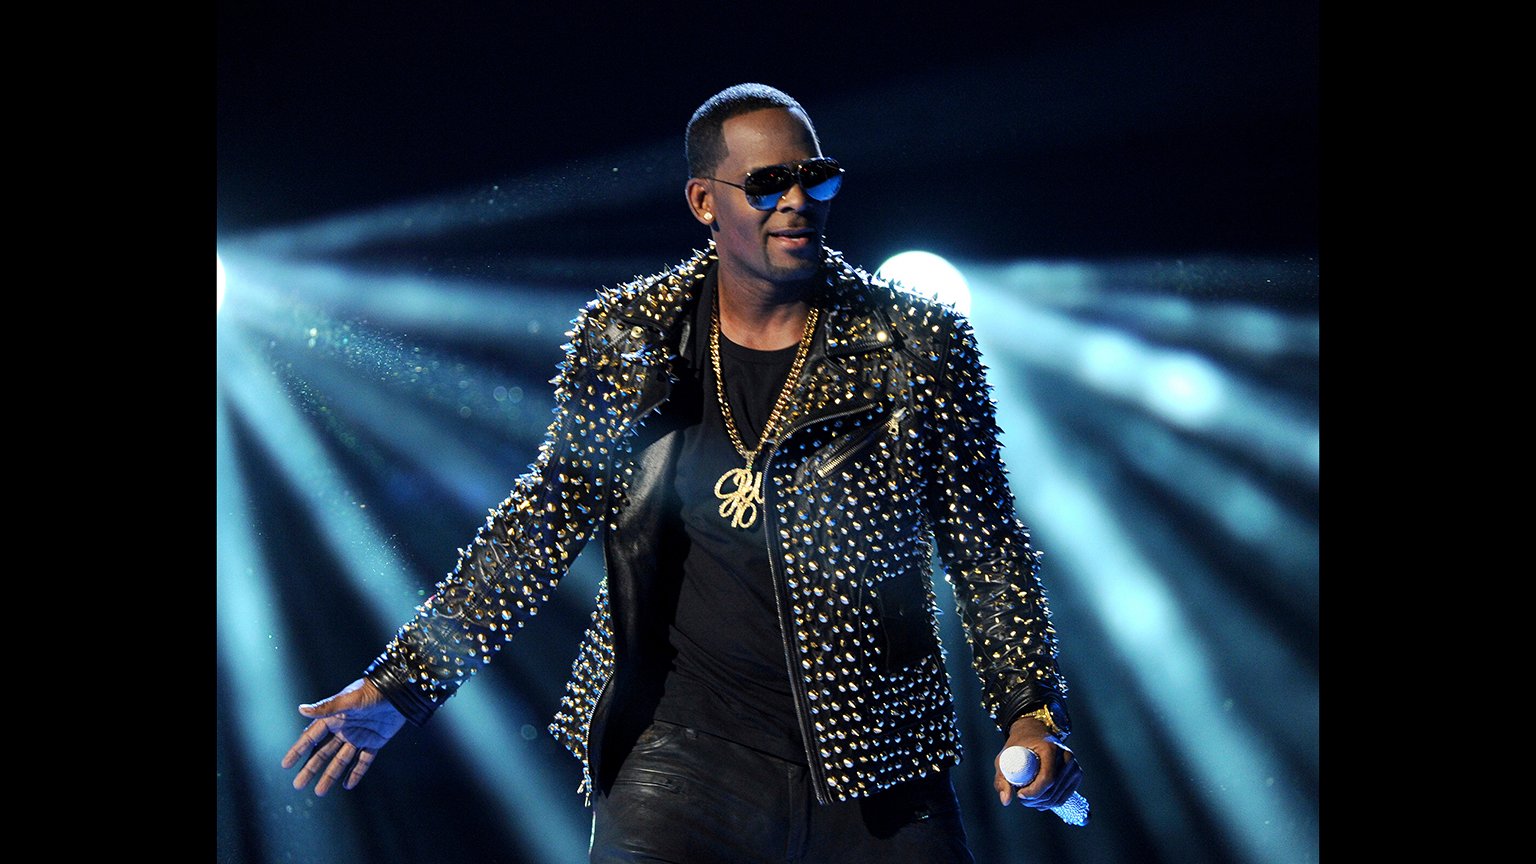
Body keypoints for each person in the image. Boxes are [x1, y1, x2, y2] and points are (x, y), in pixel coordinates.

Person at [282, 82, 1083, 863]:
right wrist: (408, 682)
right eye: (769, 185)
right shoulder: (630, 339)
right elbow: (545, 519)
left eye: (816, 175)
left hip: (876, 763)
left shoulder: (914, 342)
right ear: (706, 201)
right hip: (681, 757)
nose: (798, 200)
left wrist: (1029, 711)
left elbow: (986, 544)